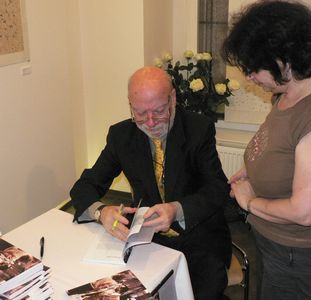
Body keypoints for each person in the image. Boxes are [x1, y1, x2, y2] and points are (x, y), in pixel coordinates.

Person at [222, 1, 311, 299]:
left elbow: (305, 212)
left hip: (296, 251)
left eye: (254, 68)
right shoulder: (287, 94)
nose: (249, 77)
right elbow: (281, 146)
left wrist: (250, 203)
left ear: (283, 60)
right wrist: (253, 168)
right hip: (274, 239)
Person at [70, 66, 231, 299]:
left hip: (200, 240)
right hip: (149, 241)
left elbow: (217, 188)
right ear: (130, 106)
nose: (151, 122)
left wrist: (176, 210)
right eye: (141, 113)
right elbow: (84, 186)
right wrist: (101, 213)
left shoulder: (198, 128)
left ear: (172, 99)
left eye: (159, 111)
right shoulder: (121, 136)